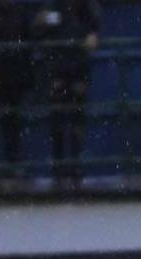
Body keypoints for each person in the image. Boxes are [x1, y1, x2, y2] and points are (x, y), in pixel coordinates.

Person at [33, 0, 102, 181]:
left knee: (77, 119)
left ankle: (75, 164)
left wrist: (92, 35)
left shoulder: (86, 7)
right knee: (57, 118)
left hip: (78, 69)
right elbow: (39, 27)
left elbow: (93, 31)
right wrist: (44, 21)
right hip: (57, 68)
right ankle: (58, 165)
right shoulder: (54, 6)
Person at [0, 0, 34, 175]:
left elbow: (27, 42)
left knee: (12, 121)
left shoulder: (19, 11)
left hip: (12, 75)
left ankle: (12, 164)